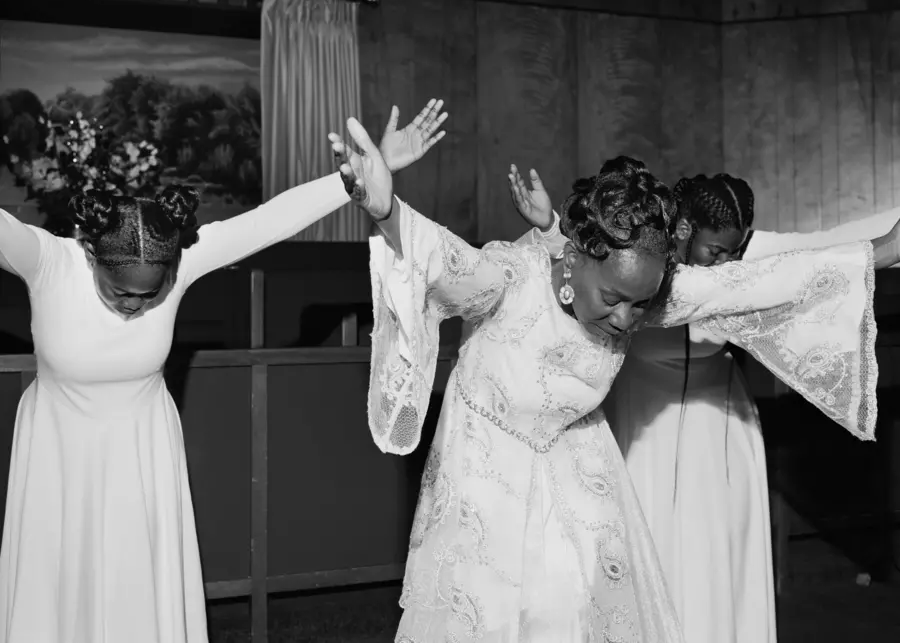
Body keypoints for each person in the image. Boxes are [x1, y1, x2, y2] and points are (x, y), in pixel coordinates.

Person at [332, 118, 894, 642]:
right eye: (614, 299)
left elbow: (758, 284)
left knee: (577, 613)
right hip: (485, 470)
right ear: (576, 258)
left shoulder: (644, 292)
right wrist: (387, 212)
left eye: (641, 303)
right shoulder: (507, 278)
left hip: (576, 466)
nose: (627, 319)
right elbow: (446, 263)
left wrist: (888, 249)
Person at [0, 100, 447, 643]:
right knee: (58, 591)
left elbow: (265, 223)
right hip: (57, 455)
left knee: (135, 593)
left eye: (149, 293)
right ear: (91, 255)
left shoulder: (181, 261)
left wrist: (355, 178)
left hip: (142, 456)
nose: (135, 306)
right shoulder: (48, 261)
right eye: (120, 292)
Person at [509, 166, 777, 643]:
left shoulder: (725, 276)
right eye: (715, 251)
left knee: (711, 552)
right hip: (643, 421)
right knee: (644, 545)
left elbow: (807, 261)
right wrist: (549, 226)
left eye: (733, 253)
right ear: (686, 231)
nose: (724, 264)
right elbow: (579, 270)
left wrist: (878, 250)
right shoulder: (646, 276)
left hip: (717, 430)